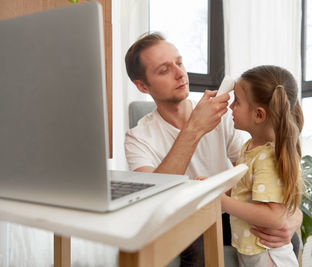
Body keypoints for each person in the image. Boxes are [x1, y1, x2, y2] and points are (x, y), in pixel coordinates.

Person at [124, 32, 302, 267]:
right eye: (164, 70)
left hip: (225, 212)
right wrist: (194, 129)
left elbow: (263, 170)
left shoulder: (225, 116)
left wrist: (293, 216)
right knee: (199, 245)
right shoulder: (138, 138)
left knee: (291, 240)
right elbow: (153, 200)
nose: (180, 74)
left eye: (179, 62)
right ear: (142, 86)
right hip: (180, 221)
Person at [221, 65, 303, 267]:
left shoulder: (267, 157)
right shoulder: (250, 148)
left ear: (259, 115)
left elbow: (274, 216)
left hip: (266, 255)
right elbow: (243, 188)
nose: (231, 107)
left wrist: (221, 201)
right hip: (252, 249)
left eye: (237, 102)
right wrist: (214, 188)